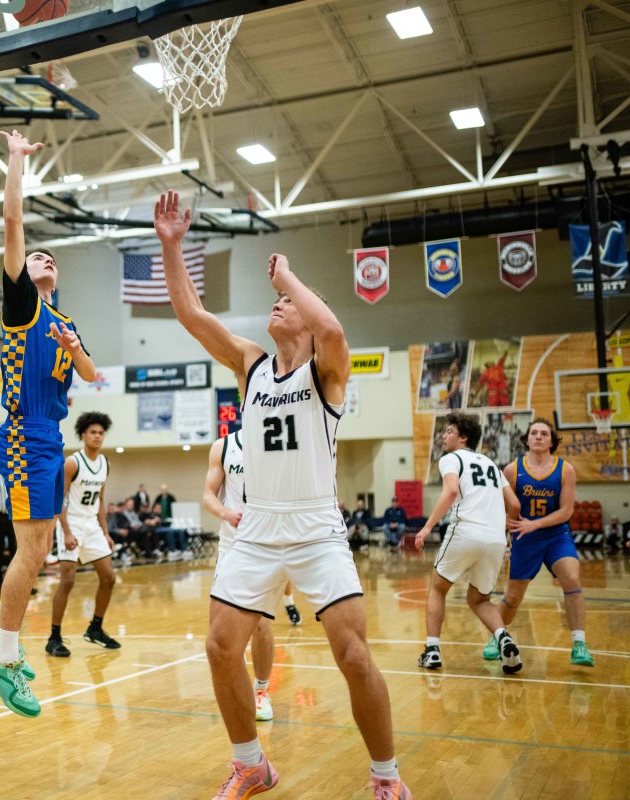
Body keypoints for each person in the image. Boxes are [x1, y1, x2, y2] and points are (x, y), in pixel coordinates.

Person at [154, 191, 408, 798]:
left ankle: (387, 777)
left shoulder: (327, 372)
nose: (277, 304)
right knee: (220, 647)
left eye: (286, 304)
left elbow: (334, 327)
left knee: (352, 654)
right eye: (277, 299)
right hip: (257, 527)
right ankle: (251, 764)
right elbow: (192, 316)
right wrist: (171, 246)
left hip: (318, 526)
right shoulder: (250, 365)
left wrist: (290, 274)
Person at [0, 129, 97, 719]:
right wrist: (16, 161)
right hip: (24, 435)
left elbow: (93, 376)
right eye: (37, 256)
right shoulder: (23, 306)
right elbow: (12, 221)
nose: (44, 258)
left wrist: (75, 349)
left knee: (42, 548)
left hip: (52, 439)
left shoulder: (64, 320)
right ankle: (4, 658)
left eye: (54, 258)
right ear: (26, 270)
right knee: (30, 551)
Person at [203, 429, 301, 725]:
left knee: (260, 623)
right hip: (232, 544)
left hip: (268, 544)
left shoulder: (283, 441)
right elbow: (208, 494)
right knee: (218, 630)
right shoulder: (224, 446)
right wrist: (224, 512)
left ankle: (260, 691)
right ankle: (237, 691)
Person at [413, 413, 522, 675]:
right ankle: (504, 638)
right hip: (496, 539)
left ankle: (432, 651)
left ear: (463, 438)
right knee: (479, 599)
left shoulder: (451, 458)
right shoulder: (492, 464)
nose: (443, 435)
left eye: (449, 431)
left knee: (438, 588)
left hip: (465, 530)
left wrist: (427, 526)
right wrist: (501, 524)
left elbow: (450, 491)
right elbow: (515, 505)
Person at [495, 418, 593, 667]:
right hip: (524, 539)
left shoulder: (565, 469)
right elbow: (503, 508)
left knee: (571, 578)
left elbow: (566, 511)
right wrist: (504, 526)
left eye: (544, 434)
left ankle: (579, 643)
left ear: (552, 441)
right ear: (527, 439)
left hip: (556, 535)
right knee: (513, 597)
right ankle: (496, 635)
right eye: (534, 433)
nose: (538, 437)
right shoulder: (512, 470)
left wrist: (535, 523)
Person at [46, 412, 120, 658]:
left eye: (101, 433)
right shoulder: (72, 463)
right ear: (83, 435)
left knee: (109, 578)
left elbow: (100, 500)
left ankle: (95, 628)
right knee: (67, 581)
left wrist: (106, 532)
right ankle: (54, 637)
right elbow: (60, 499)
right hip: (72, 524)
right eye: (93, 432)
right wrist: (66, 531)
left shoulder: (105, 464)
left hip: (92, 526)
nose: (97, 436)